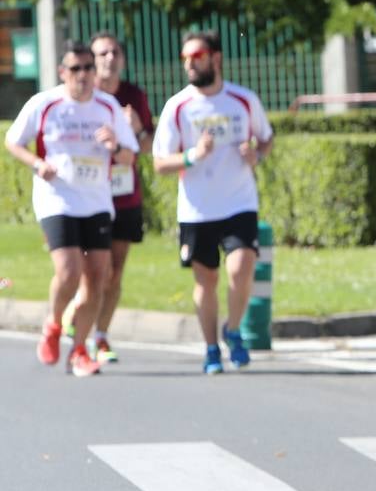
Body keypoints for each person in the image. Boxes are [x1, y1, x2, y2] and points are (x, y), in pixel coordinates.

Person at [5, 41, 138, 377]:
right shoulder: (45, 104)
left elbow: (129, 156)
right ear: (63, 72)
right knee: (69, 270)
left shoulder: (108, 107)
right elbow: (13, 141)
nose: (83, 75)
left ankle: (79, 349)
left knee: (97, 276)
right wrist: (38, 164)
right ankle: (53, 324)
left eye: (88, 68)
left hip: (96, 200)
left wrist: (115, 145)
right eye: (75, 69)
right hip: (57, 198)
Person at [152, 31, 273, 374]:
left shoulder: (243, 99)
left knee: (241, 266)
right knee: (206, 281)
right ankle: (210, 349)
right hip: (198, 207)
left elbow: (266, 139)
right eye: (185, 58)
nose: (190, 64)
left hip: (239, 201)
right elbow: (160, 163)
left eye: (197, 56)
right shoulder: (178, 107)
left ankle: (233, 330)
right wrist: (192, 156)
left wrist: (256, 155)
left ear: (216, 58)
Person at [76, 32, 156, 363]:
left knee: (115, 270)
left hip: (124, 194)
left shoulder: (133, 95)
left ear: (122, 58)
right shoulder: (83, 96)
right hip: (88, 197)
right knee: (92, 268)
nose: (110, 57)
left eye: (115, 52)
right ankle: (77, 316)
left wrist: (136, 129)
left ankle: (101, 336)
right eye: (102, 52)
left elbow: (150, 146)